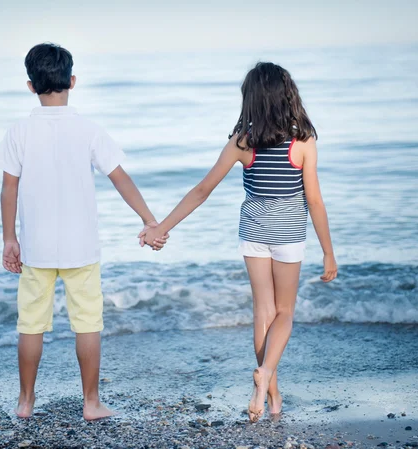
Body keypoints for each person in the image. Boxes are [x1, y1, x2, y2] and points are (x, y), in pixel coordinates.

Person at [141, 62, 337, 422]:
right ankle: (264, 379)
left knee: (263, 313)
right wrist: (328, 252)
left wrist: (161, 227)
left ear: (251, 100)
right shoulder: (303, 143)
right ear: (287, 96)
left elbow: (202, 190)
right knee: (285, 313)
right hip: (289, 236)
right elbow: (315, 201)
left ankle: (272, 399)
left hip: (253, 236)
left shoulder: (241, 142)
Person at [0, 42, 167, 420]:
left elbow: (9, 188)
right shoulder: (88, 130)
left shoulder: (18, 132)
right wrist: (148, 220)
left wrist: (10, 238)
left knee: (30, 324)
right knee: (88, 322)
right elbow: (120, 178)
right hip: (81, 247)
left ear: (30, 85)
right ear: (72, 80)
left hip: (36, 248)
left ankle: (25, 402)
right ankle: (91, 402)